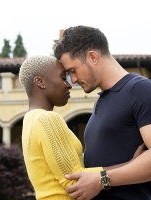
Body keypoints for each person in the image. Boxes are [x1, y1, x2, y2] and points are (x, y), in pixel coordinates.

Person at [19, 55, 144, 200]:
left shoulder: (30, 119)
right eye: (63, 78)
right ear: (40, 82)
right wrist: (131, 165)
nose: (69, 84)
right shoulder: (47, 119)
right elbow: (76, 182)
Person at [54, 25, 151, 200]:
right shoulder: (103, 100)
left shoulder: (139, 90)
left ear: (93, 57)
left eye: (73, 71)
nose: (73, 80)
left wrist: (102, 180)